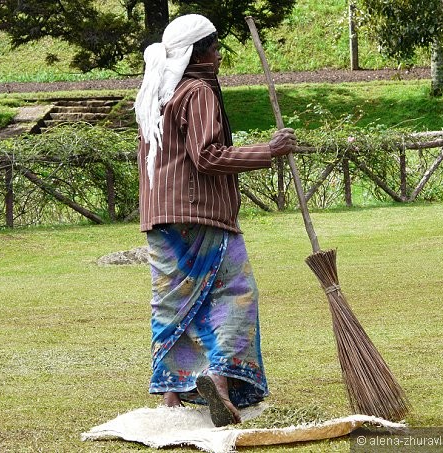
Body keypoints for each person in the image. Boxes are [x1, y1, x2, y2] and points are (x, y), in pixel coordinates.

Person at [134, 14, 296, 427]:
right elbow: (206, 156)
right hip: (202, 213)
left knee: (173, 302)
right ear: (198, 54)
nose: (221, 55)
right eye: (215, 48)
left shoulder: (156, 93)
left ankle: (170, 398)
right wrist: (269, 151)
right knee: (233, 294)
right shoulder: (198, 91)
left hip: (159, 217)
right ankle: (219, 384)